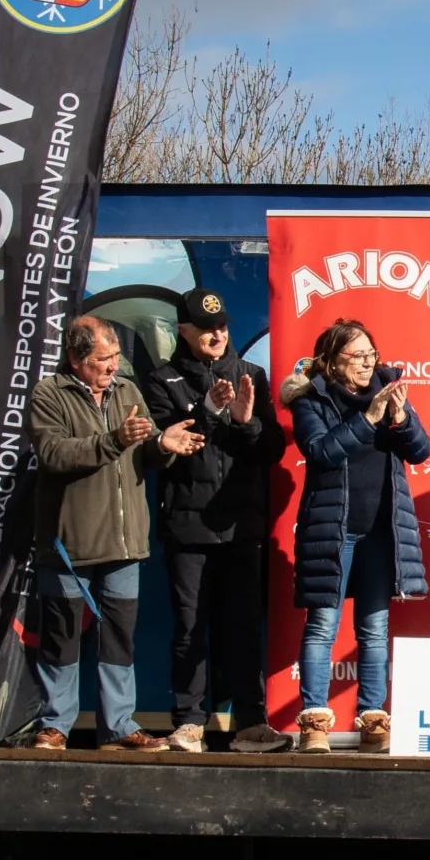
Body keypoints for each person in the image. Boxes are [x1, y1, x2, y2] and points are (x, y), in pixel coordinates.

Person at [29, 315, 201, 750]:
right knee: (62, 639)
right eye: (102, 359)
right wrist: (115, 440)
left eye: (115, 357)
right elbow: (53, 454)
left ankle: (119, 726)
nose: (112, 366)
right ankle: (55, 725)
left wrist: (163, 446)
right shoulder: (50, 393)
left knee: (119, 639)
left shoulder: (127, 389)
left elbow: (142, 446)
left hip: (125, 543)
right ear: (75, 358)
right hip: (70, 543)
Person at [142, 289, 288, 754]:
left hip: (242, 527)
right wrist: (205, 411)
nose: (217, 335)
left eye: (222, 326)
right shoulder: (162, 381)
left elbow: (272, 452)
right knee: (189, 627)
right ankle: (188, 722)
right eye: (206, 330)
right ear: (183, 331)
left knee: (243, 625)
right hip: (187, 526)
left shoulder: (252, 375)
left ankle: (249, 721)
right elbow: (164, 453)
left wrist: (245, 421)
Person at [283, 319, 430, 756]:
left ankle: (372, 718)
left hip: (382, 531)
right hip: (333, 531)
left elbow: (423, 451)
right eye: (358, 356)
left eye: (372, 354)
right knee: (322, 628)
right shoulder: (311, 399)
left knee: (374, 629)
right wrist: (368, 419)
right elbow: (321, 452)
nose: (369, 363)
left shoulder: (389, 390)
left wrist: (400, 417)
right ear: (332, 361)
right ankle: (314, 721)